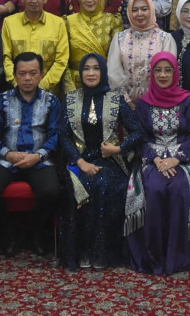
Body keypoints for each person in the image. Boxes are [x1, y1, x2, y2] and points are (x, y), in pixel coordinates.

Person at [59, 53, 140, 270]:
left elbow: (138, 132)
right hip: (79, 162)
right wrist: (80, 161)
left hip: (110, 161)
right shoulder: (70, 99)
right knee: (81, 185)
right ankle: (82, 250)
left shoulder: (115, 99)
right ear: (81, 72)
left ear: (103, 72)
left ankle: (103, 251)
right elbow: (63, 136)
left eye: (96, 68)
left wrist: (118, 148)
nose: (91, 73)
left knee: (105, 185)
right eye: (86, 68)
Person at [125, 52, 190, 275]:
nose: (162, 75)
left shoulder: (187, 100)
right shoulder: (144, 103)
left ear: (176, 73)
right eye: (158, 70)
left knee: (180, 189)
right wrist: (157, 159)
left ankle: (178, 257)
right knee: (154, 188)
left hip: (181, 157)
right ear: (152, 73)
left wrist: (176, 159)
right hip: (152, 157)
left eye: (168, 70)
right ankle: (153, 257)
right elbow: (141, 136)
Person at [0, 52, 63, 256]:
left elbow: (56, 135)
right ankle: (8, 232)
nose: (27, 78)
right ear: (14, 75)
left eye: (33, 73)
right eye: (22, 73)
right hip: (7, 159)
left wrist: (38, 155)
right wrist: (8, 154)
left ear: (41, 74)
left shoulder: (52, 101)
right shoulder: (2, 100)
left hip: (39, 159)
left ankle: (37, 232)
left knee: (52, 191)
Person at [1, 0, 70, 93]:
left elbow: (61, 60)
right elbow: (6, 57)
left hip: (49, 92)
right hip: (17, 91)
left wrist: (42, 86)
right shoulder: (10, 23)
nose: (34, 0)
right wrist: (17, 83)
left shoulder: (58, 23)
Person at [107, 0, 177, 104]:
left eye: (144, 9)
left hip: (157, 100)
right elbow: (113, 73)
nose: (139, 14)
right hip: (123, 101)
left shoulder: (165, 39)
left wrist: (153, 100)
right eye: (134, 10)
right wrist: (126, 101)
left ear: (151, 10)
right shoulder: (120, 38)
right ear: (129, 12)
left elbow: (168, 73)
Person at [64, 0, 123, 92]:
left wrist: (110, 88)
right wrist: (70, 90)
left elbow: (116, 61)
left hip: (105, 85)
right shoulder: (68, 22)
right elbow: (63, 60)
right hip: (74, 85)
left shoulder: (112, 21)